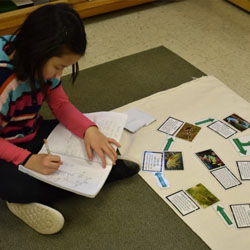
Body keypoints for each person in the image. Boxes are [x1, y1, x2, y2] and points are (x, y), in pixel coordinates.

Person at [0, 3, 139, 235]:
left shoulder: (40, 63)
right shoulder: (5, 79)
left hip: (26, 132)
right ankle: (24, 197)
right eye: (58, 67)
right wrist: (26, 160)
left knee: (89, 143)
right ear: (38, 51)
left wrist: (88, 130)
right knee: (17, 187)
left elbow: (61, 105)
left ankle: (57, 186)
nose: (59, 75)